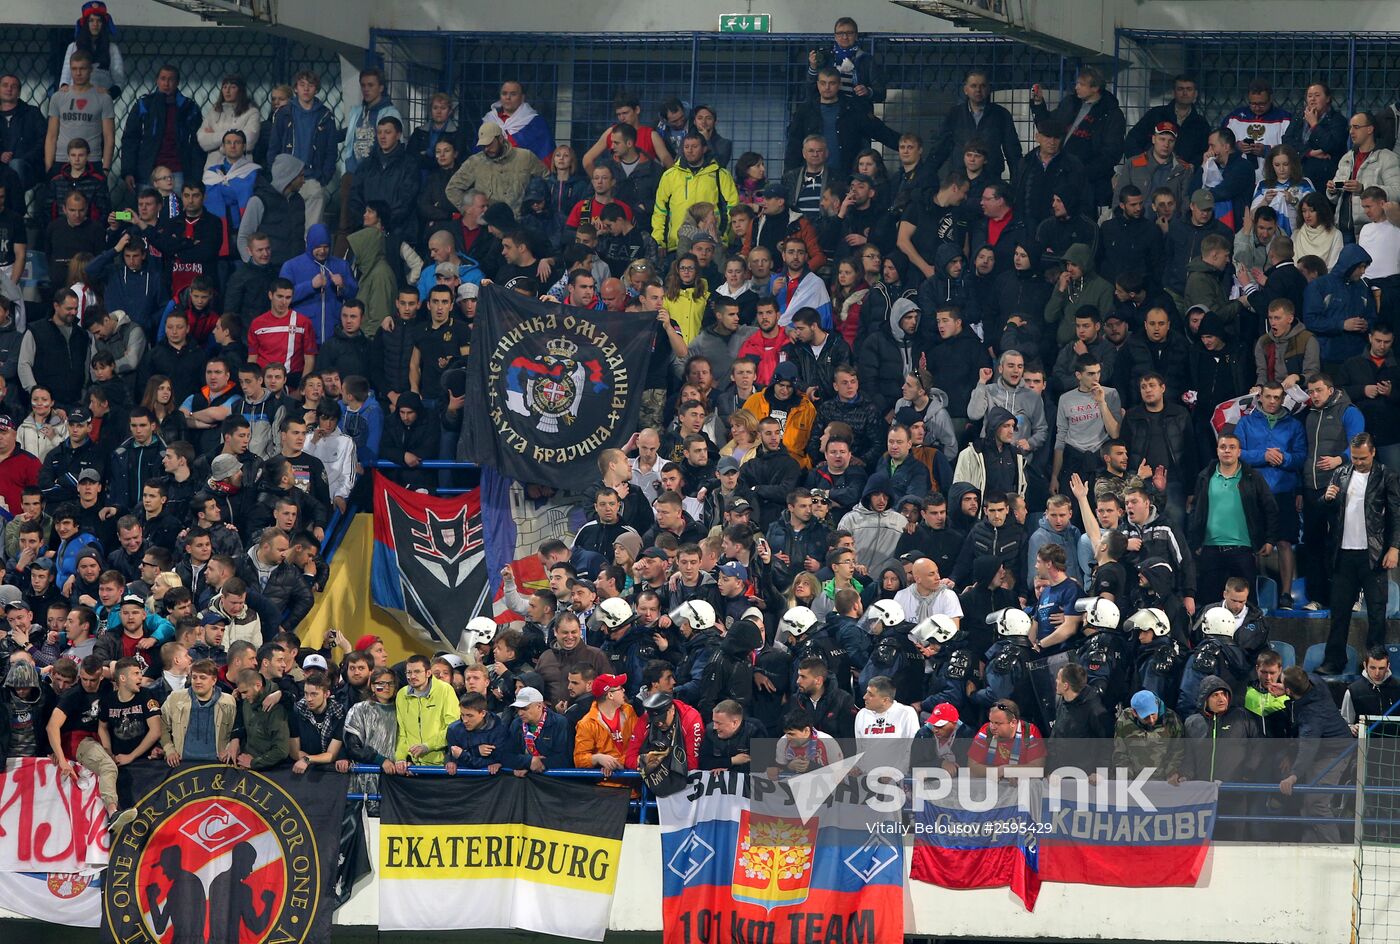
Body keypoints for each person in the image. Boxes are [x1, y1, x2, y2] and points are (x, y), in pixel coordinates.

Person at [1319, 433, 1400, 674]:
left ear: (1373, 452)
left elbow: (1396, 515)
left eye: (1363, 458)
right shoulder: (1341, 473)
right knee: (1339, 612)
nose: (1358, 462)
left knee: (1376, 613)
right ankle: (1334, 660)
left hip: (1373, 555)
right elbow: (1326, 510)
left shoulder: (1386, 475)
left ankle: (1374, 665)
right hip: (1343, 554)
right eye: (1355, 458)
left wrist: (1394, 547)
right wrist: (1327, 499)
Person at [1235, 382, 1308, 607]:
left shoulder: (1294, 425)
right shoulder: (1246, 423)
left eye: (1277, 397)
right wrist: (1263, 456)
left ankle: (1286, 595)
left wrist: (1284, 458)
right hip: (1254, 491)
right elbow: (1237, 453)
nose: (1273, 401)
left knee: (1285, 542)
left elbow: (1301, 456)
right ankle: (1253, 595)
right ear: (1260, 398)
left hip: (1283, 490)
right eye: (1268, 397)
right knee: (1254, 544)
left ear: (1283, 398)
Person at [1030, 66, 1126, 211]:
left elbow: (1111, 153)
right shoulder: (1070, 103)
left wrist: (1083, 172)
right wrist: (1038, 104)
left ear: (1095, 88)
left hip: (1090, 182)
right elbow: (1049, 127)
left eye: (1081, 84)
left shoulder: (1112, 115)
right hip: (1060, 173)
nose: (1076, 87)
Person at [1279, 666, 1354, 843]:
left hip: (1335, 753)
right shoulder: (1316, 681)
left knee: (1316, 804)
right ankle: (1310, 844)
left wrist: (1293, 776)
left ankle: (1336, 850)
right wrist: (1287, 691)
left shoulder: (1311, 716)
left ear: (1289, 690)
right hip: (1323, 749)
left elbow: (1308, 748)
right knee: (1307, 804)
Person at [928, 69, 1021, 181]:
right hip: (959, 178)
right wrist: (927, 174)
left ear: (988, 89)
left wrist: (1017, 181)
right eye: (973, 86)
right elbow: (941, 147)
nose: (978, 90)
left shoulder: (1001, 114)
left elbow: (1012, 150)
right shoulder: (954, 114)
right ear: (965, 90)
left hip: (991, 176)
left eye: (982, 86)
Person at [1327, 111, 1400, 242]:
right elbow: (1334, 198)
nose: (1351, 131)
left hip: (1373, 229)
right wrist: (1332, 189)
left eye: (1356, 127)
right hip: (1342, 227)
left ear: (1370, 129)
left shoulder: (1387, 158)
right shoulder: (1346, 158)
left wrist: (1363, 189)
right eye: (1350, 127)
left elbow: (1397, 192)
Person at [1124, 75, 1211, 171]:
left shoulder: (1201, 124)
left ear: (1195, 94)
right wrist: (1143, 164)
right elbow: (1132, 140)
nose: (1185, 93)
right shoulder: (1155, 115)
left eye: (1189, 89)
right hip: (1150, 174)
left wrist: (1192, 166)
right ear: (1174, 92)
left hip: (1184, 177)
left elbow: (1205, 151)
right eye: (1180, 89)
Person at [1281, 82, 1349, 190]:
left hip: (1325, 177)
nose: (1312, 99)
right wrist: (1309, 152)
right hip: (1300, 173)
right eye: (1309, 96)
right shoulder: (1299, 117)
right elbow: (1286, 141)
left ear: (1327, 99)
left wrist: (1314, 125)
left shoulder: (1338, 120)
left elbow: (1331, 145)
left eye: (1317, 95)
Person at [968, 698, 1046, 774]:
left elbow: (1038, 768)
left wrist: (1011, 770)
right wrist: (997, 771)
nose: (992, 727)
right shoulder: (985, 731)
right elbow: (972, 767)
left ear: (1013, 723)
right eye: (991, 722)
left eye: (998, 723)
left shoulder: (1029, 732)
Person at [1341, 647, 1400, 727]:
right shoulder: (1353, 691)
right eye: (1372, 668)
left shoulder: (1397, 687)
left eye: (1381, 668)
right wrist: (1351, 728)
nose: (1377, 673)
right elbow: (1345, 723)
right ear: (1365, 665)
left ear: (1388, 666)